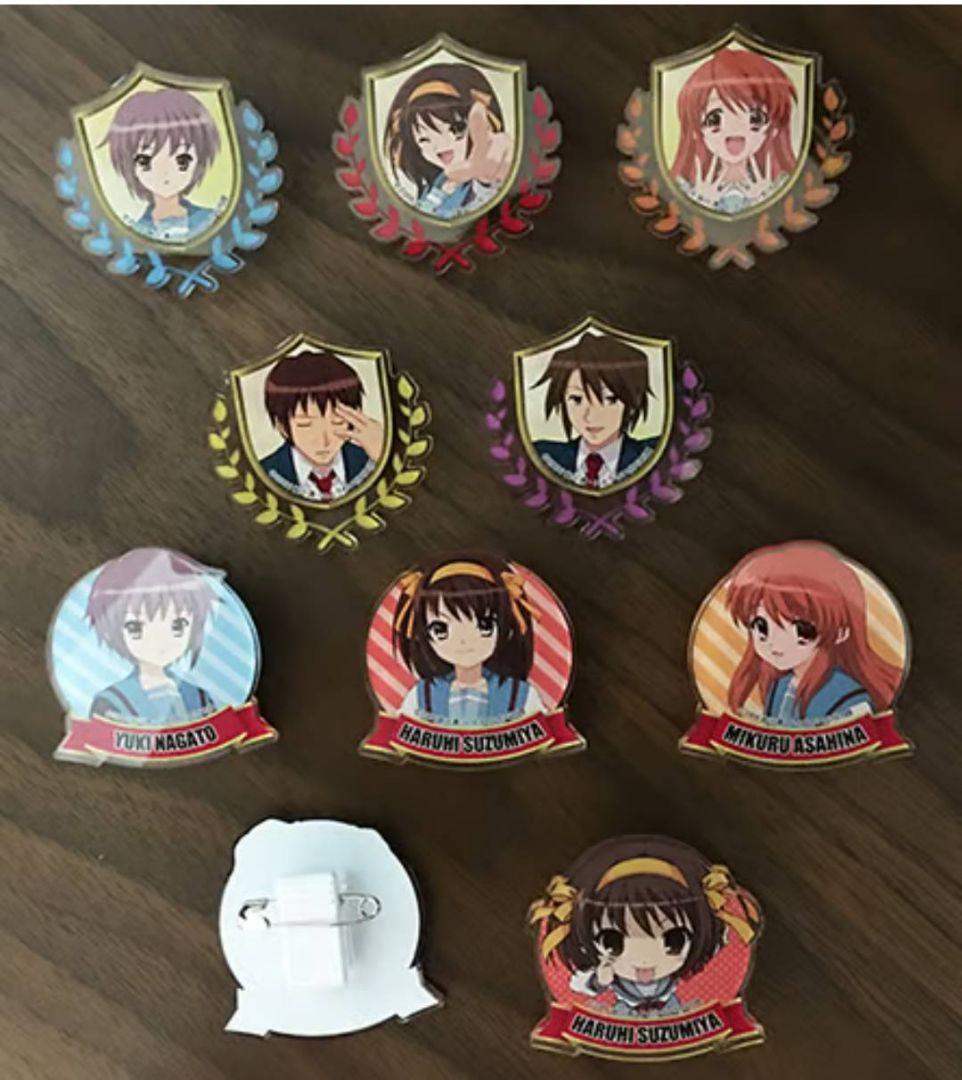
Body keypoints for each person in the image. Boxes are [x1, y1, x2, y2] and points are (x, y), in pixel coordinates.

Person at [530, 836, 759, 1018]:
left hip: (672, 1011)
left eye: (674, 941)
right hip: (621, 1014)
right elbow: (580, 985)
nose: (644, 959)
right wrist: (600, 979)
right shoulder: (605, 975)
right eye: (613, 943)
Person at [725, 541, 903, 727]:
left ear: (841, 632)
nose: (776, 643)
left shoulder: (847, 697)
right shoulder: (778, 685)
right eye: (761, 626)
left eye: (801, 630)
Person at [392, 554, 543, 726]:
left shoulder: (520, 695)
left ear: (505, 627)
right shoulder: (421, 697)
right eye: (440, 629)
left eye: (484, 625)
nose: (463, 640)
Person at [86, 548, 218, 726]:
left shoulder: (199, 697)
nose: (159, 641)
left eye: (177, 626)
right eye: (136, 628)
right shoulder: (111, 701)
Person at [670, 48, 797, 215]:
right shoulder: (685, 187)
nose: (735, 129)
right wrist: (703, 201)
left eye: (755, 118)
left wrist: (764, 198)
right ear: (695, 129)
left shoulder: (781, 184)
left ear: (774, 129)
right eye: (714, 119)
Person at [384, 62, 513, 219]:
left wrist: (487, 180)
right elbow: (424, 212)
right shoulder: (438, 181)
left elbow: (485, 197)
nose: (440, 146)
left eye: (454, 129)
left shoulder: (480, 178)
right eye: (424, 140)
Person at [531, 333, 659, 490]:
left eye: (610, 399)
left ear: (633, 403)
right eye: (577, 399)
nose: (591, 416)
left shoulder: (653, 455)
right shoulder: (542, 456)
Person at [259, 349, 383, 502]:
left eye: (337, 422)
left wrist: (384, 454)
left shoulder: (371, 461)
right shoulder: (264, 473)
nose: (323, 441)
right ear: (282, 427)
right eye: (305, 425)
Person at [101, 87, 223, 242]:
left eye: (182, 159)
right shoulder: (136, 230)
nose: (165, 172)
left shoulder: (209, 218)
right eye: (145, 161)